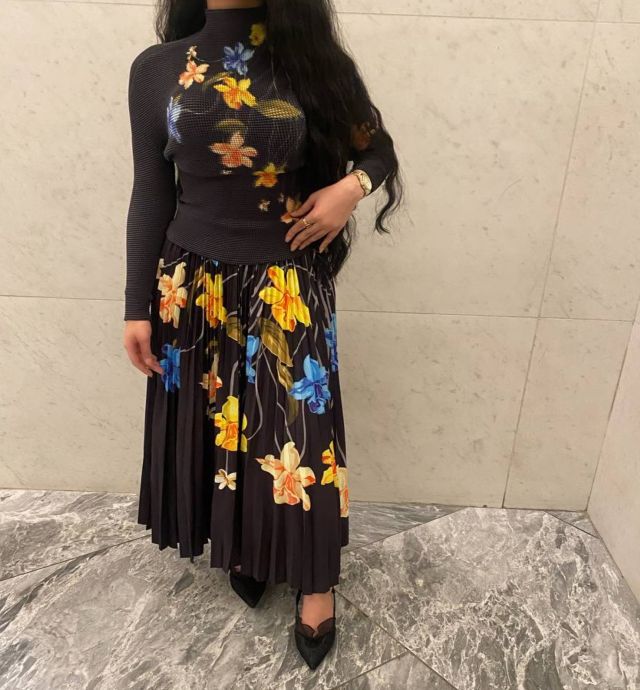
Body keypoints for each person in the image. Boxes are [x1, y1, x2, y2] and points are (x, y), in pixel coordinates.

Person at [122, 0, 402, 670]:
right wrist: (136, 306)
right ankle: (246, 547)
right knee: (221, 429)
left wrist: (351, 188)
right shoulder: (158, 69)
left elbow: (379, 150)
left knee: (299, 435)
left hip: (288, 283)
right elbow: (151, 192)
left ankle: (315, 578)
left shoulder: (313, 63)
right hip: (192, 287)